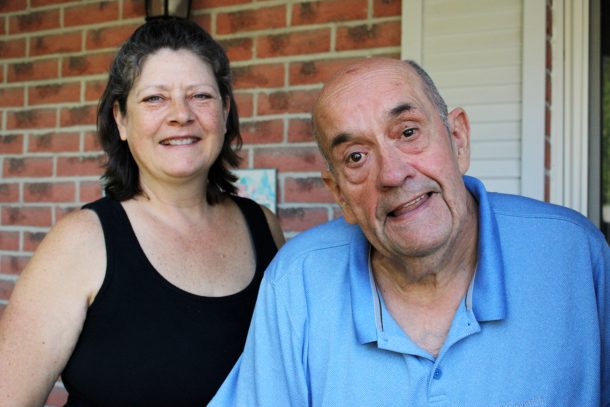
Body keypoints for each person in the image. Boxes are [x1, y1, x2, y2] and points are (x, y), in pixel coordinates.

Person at [209, 57, 609, 406]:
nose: (393, 174)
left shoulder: (574, 254)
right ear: (339, 195)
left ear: (458, 139)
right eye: (356, 156)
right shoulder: (298, 281)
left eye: (408, 132)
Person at [0, 18, 284, 406]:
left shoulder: (264, 227)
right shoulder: (81, 241)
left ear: (225, 109)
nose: (180, 115)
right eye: (155, 98)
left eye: (200, 95)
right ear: (120, 119)